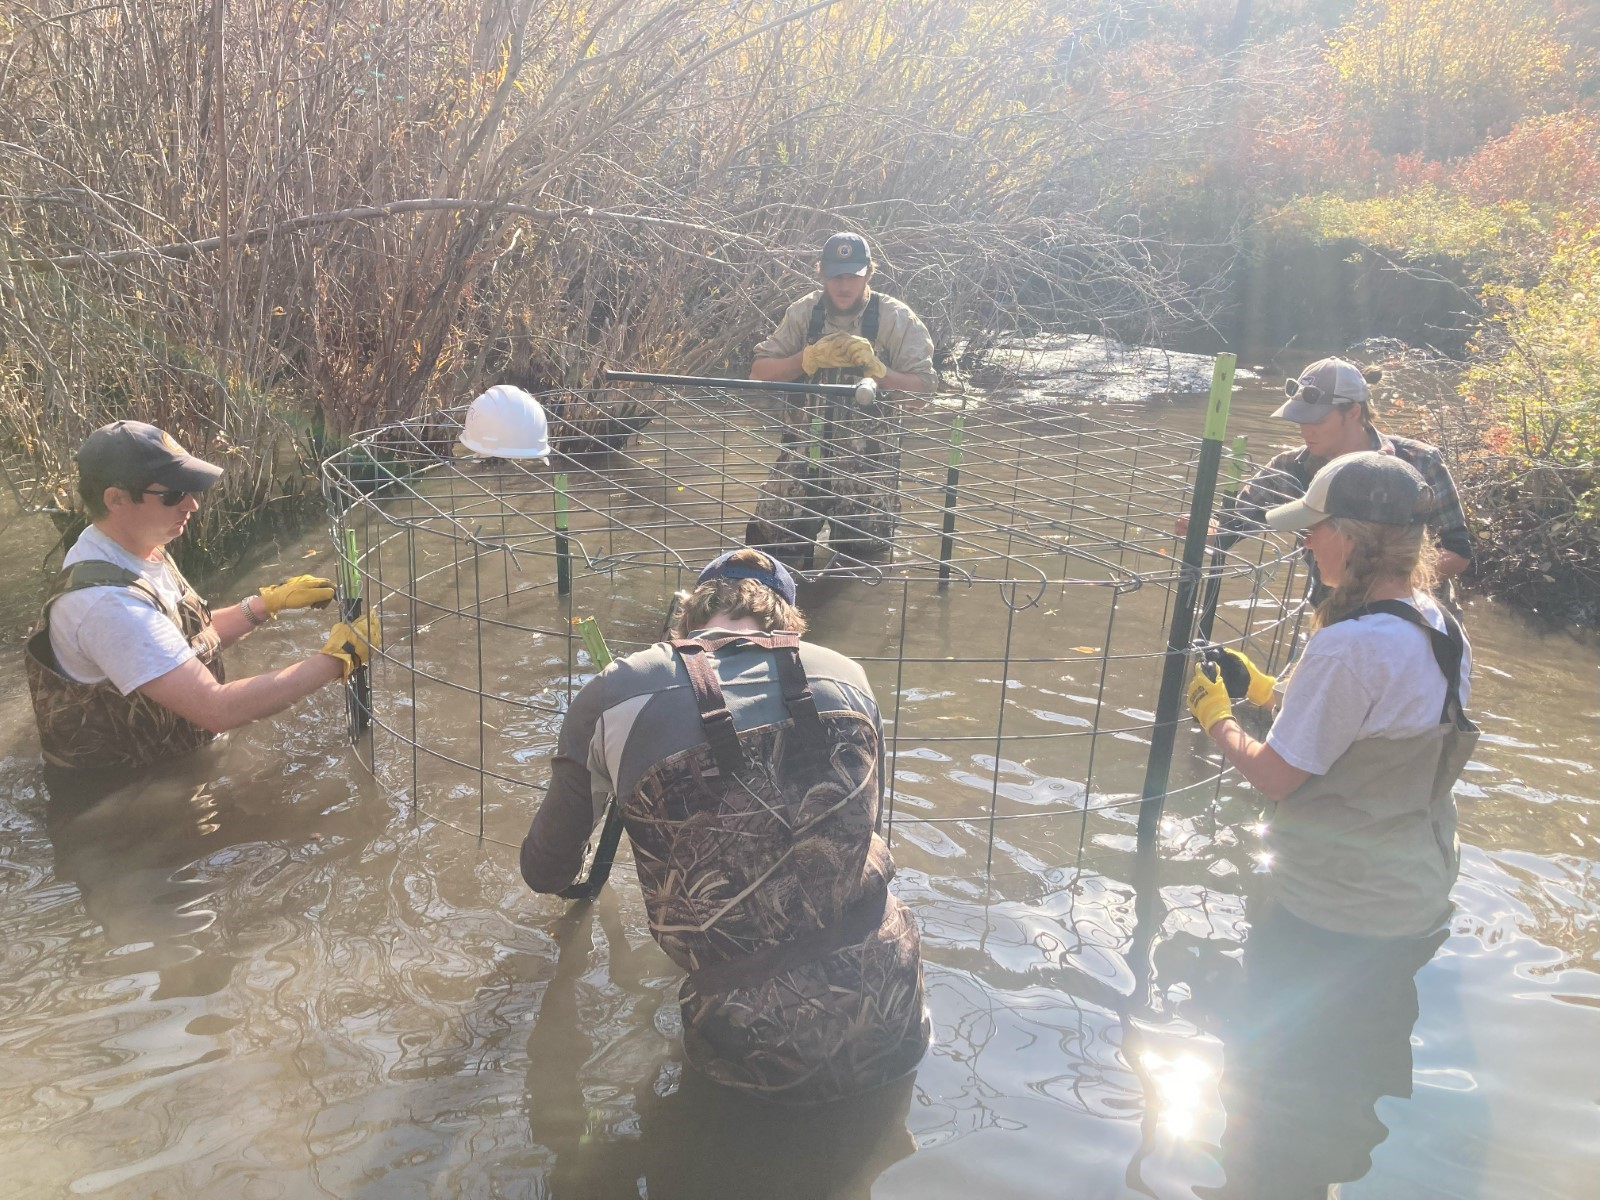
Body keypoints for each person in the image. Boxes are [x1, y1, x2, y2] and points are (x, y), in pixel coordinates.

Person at [520, 548, 929, 1105]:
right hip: (896, 1009)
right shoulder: (848, 676)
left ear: (692, 614)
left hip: (750, 1047)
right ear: (787, 620)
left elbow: (547, 870)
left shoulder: (616, 690)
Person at [1185, 450, 1478, 938]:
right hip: (1417, 888)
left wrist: (1216, 715)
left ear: (1348, 537)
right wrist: (1263, 691)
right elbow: (1375, 722)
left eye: (1313, 527)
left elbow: (1274, 779)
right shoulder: (1439, 622)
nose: (1305, 541)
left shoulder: (1348, 646)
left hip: (1335, 909)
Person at [25, 420, 380, 773]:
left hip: (165, 765)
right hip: (129, 793)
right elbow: (218, 710)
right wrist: (336, 660)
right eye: (172, 495)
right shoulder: (108, 606)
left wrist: (265, 604)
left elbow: (183, 642)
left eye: (191, 490)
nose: (192, 505)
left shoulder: (132, 546)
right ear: (116, 499)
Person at [1186, 358, 1474, 606]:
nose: (1305, 430)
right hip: (1334, 614)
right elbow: (1234, 526)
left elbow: (1458, 552)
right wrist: (1201, 529)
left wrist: (1379, 588)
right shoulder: (1290, 468)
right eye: (1300, 420)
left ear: (1353, 412)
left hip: (1414, 617)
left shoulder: (1419, 461)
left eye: (1317, 420)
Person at [745, 231, 936, 566]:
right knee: (767, 557)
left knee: (861, 572)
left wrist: (880, 372)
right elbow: (758, 373)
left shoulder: (897, 318)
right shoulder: (804, 313)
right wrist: (806, 359)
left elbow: (922, 393)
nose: (844, 286)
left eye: (853, 276)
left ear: (869, 274)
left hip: (869, 472)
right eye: (835, 276)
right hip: (802, 458)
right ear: (821, 274)